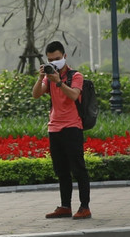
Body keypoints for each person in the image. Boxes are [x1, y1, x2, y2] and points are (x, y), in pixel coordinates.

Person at [32, 40, 91, 220]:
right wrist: (41, 77)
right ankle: (65, 206)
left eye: (57, 58)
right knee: (61, 170)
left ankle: (84, 207)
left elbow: (74, 95)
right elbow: (36, 94)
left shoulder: (75, 76)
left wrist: (58, 82)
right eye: (50, 60)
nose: (54, 62)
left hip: (72, 126)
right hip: (54, 127)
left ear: (64, 56)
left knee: (78, 169)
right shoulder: (49, 76)